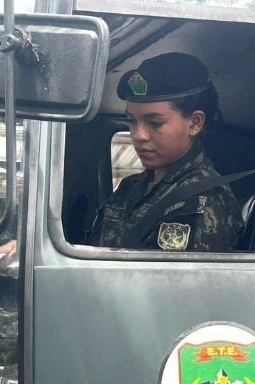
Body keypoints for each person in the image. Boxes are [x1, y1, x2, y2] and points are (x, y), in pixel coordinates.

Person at [89, 52, 243, 251]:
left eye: (155, 123)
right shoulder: (129, 188)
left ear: (194, 123)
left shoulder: (203, 199)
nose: (139, 135)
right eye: (131, 121)